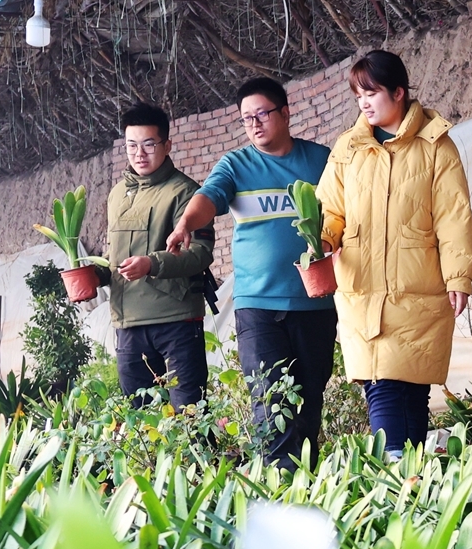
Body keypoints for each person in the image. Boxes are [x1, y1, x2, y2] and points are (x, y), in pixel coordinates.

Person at [168, 75, 336, 464]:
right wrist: (185, 225)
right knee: (270, 400)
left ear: (286, 113)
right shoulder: (236, 165)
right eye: (247, 118)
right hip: (257, 304)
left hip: (314, 303)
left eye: (262, 113)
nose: (255, 123)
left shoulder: (320, 161)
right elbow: (208, 198)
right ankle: (278, 486)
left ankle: (306, 488)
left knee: (309, 402)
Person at [316, 48, 472, 454]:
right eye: (358, 96)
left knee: (406, 388)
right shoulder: (347, 149)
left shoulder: (437, 147)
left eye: (371, 93)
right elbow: (330, 209)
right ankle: (408, 478)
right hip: (363, 290)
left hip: (416, 289)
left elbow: (453, 217)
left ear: (399, 92)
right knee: (383, 385)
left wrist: (459, 276)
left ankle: (401, 478)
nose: (364, 103)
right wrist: (323, 239)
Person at [100, 102, 214, 405]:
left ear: (167, 145)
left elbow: (200, 254)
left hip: (176, 320)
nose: (140, 154)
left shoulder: (187, 193)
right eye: (131, 146)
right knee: (140, 416)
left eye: (149, 145)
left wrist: (151, 264)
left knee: (189, 412)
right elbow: (114, 256)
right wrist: (97, 274)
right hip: (129, 324)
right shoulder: (116, 195)